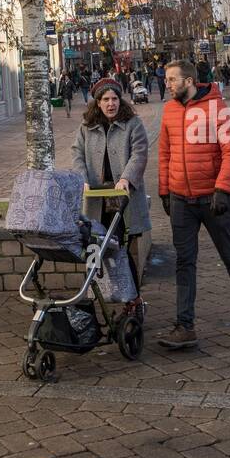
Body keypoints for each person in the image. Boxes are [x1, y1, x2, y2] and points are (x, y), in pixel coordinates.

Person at [157, 60, 230, 348]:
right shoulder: (169, 111)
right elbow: (164, 154)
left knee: (229, 253)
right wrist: (165, 191)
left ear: (189, 81)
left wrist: (223, 190)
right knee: (184, 262)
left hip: (212, 199)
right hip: (180, 200)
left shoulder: (217, 109)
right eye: (166, 79)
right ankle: (184, 326)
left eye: (172, 79)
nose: (168, 84)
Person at [71, 77, 150, 305]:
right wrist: (82, 180)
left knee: (121, 249)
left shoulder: (132, 124)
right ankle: (93, 298)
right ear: (97, 103)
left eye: (114, 98)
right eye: (105, 99)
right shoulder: (86, 127)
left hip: (123, 198)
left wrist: (126, 178)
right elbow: (77, 154)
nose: (110, 103)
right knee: (95, 248)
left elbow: (139, 153)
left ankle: (132, 300)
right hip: (96, 200)